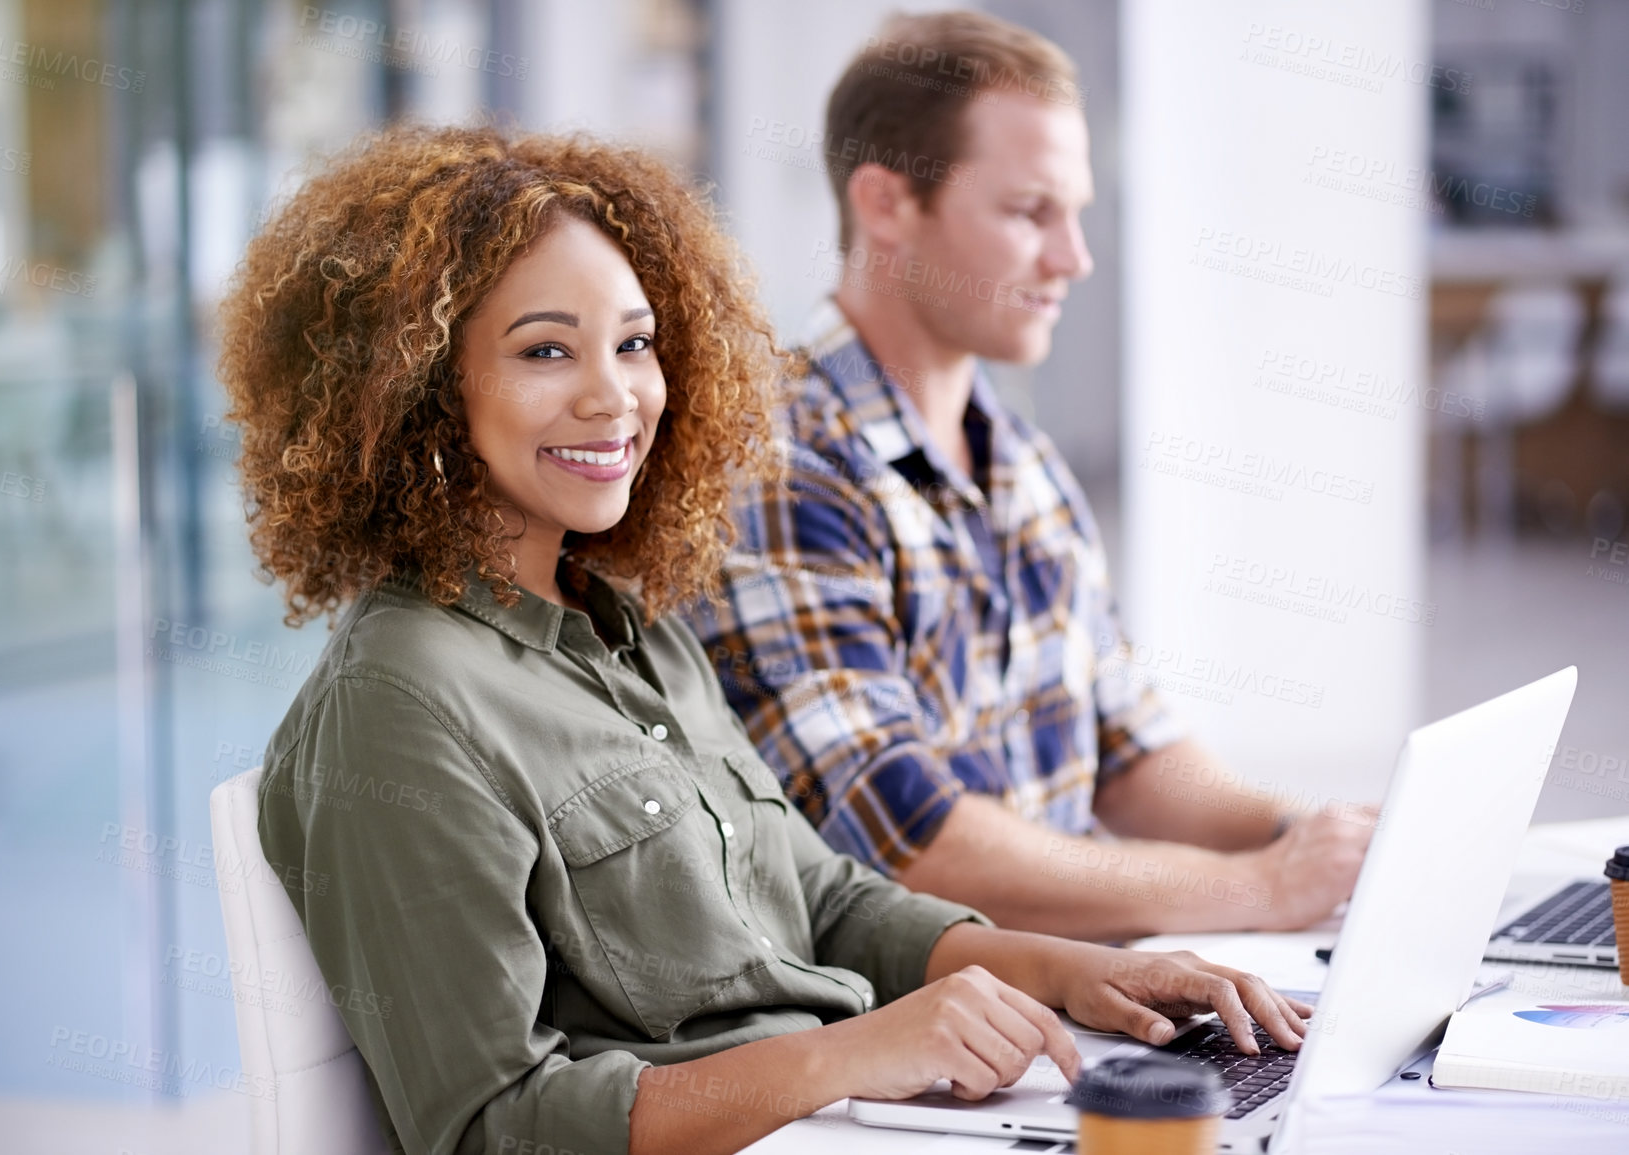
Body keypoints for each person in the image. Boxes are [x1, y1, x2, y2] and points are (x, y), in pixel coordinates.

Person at [220, 124, 1310, 1155]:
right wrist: (850, 1056)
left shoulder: (628, 631)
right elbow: (496, 1125)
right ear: (414, 391)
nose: (616, 396)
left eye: (636, 344)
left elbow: (828, 904)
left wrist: (1069, 973)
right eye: (546, 350)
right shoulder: (401, 702)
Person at [689, 10, 1374, 943]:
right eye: (1027, 212)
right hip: (914, 1038)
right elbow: (909, 844)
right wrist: (1257, 890)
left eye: (1076, 212)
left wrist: (1312, 842)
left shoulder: (1021, 460)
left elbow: (1129, 755)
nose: (1073, 258)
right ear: (886, 204)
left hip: (1065, 996)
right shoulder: (781, 465)